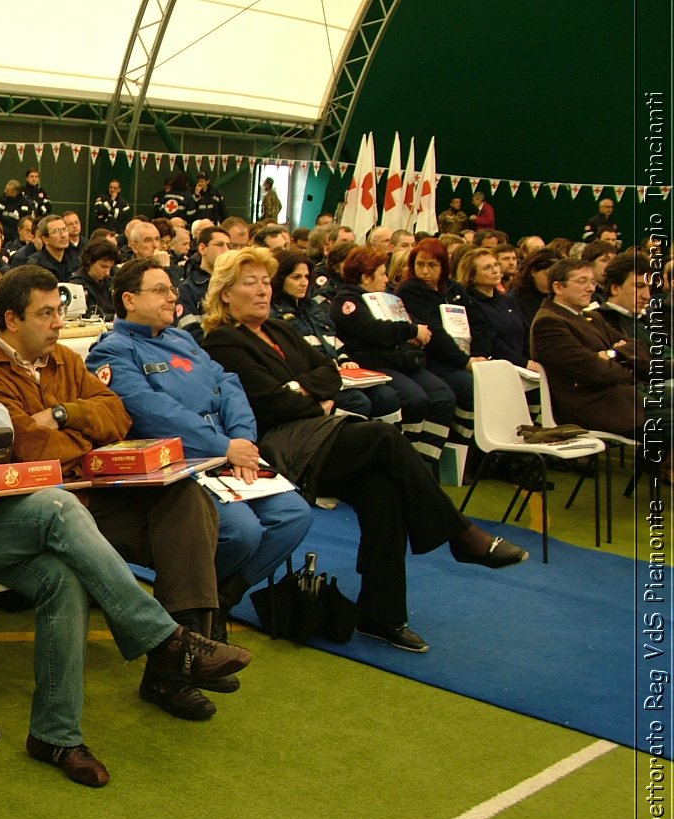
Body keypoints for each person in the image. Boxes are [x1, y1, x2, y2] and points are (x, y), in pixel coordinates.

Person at [0, 266, 252, 787]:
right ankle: (164, 640)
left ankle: (55, 736)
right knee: (55, 506)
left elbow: (1, 427)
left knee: (63, 574)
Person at [199, 247, 527, 653]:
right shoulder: (222, 340)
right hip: (277, 447)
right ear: (225, 294)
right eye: (251, 283)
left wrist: (304, 388)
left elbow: (328, 374)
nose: (263, 290)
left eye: (266, 281)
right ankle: (461, 535)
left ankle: (382, 615)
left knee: (383, 493)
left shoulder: (280, 328)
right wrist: (309, 393)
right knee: (384, 436)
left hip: (321, 432)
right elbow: (269, 404)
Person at [0, 264, 232, 718]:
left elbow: (118, 417)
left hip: (89, 491)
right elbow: (26, 448)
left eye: (59, 311)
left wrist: (66, 414)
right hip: (38, 508)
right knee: (183, 532)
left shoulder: (63, 358)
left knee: (187, 499)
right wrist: (84, 434)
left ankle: (175, 664)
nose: (59, 323)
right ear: (11, 320)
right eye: (46, 314)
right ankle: (177, 664)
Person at [86, 257, 313, 628]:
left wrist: (241, 437)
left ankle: (220, 600)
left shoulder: (182, 338)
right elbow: (151, 412)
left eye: (172, 289)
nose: (171, 297)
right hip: (182, 460)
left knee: (294, 514)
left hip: (228, 451)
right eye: (160, 290)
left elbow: (229, 385)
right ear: (129, 299)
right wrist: (222, 445)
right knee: (241, 532)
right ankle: (194, 607)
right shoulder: (113, 350)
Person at [329, 246, 455, 464]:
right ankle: (406, 460)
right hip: (372, 363)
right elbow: (375, 330)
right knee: (415, 399)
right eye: (382, 274)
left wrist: (414, 330)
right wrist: (411, 331)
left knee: (443, 396)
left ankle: (426, 461)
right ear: (366, 277)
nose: (387, 279)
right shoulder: (347, 302)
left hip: (400, 360)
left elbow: (407, 321)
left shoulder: (385, 298)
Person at [530, 258, 660, 444]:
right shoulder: (549, 323)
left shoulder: (591, 317)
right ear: (558, 287)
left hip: (625, 399)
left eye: (592, 282)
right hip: (600, 410)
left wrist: (612, 354)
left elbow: (638, 347)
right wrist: (627, 365)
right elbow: (597, 372)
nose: (591, 288)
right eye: (582, 281)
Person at [269, 249, 399, 421]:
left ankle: (388, 446)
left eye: (307, 277)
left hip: (337, 374)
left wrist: (345, 359)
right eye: (296, 277)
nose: (303, 283)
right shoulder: (273, 314)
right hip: (311, 379)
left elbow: (333, 339)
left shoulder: (313, 307)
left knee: (386, 396)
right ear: (280, 278)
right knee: (357, 402)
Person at [395, 239, 478, 443]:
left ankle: (471, 451)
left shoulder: (454, 289)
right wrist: (464, 361)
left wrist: (479, 355)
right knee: (470, 387)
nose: (425, 271)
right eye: (420, 264)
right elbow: (434, 331)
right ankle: (458, 446)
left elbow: (478, 322)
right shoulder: (410, 290)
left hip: (463, 356)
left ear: (443, 266)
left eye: (432, 265)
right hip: (433, 359)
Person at [457, 247, 527, 366]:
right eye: (487, 268)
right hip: (496, 365)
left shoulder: (507, 300)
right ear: (472, 276)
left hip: (523, 365)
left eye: (496, 265)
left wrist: (529, 360)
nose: (495, 271)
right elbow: (491, 341)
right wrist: (524, 363)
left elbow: (525, 332)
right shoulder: (468, 303)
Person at [177, 226, 230, 326]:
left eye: (228, 245)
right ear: (202, 248)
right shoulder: (187, 289)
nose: (226, 250)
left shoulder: (233, 283)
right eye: (219, 245)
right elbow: (190, 331)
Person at [595, 252, 652, 344]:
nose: (647, 296)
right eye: (639, 286)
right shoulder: (599, 325)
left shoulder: (649, 319)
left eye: (649, 288)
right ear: (615, 289)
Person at [68, 239, 118, 321]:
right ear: (89, 262)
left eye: (110, 267)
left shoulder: (109, 281)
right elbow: (88, 317)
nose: (107, 273)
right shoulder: (77, 286)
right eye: (103, 267)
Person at [28, 214, 78, 281]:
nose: (63, 235)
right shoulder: (35, 265)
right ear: (45, 239)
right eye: (56, 231)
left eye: (65, 229)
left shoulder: (76, 259)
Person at [0, 181, 34, 246]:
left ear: (15, 192)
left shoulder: (26, 204)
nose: (5, 191)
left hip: (17, 240)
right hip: (2, 238)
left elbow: (29, 222)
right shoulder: (2, 200)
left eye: (7, 190)